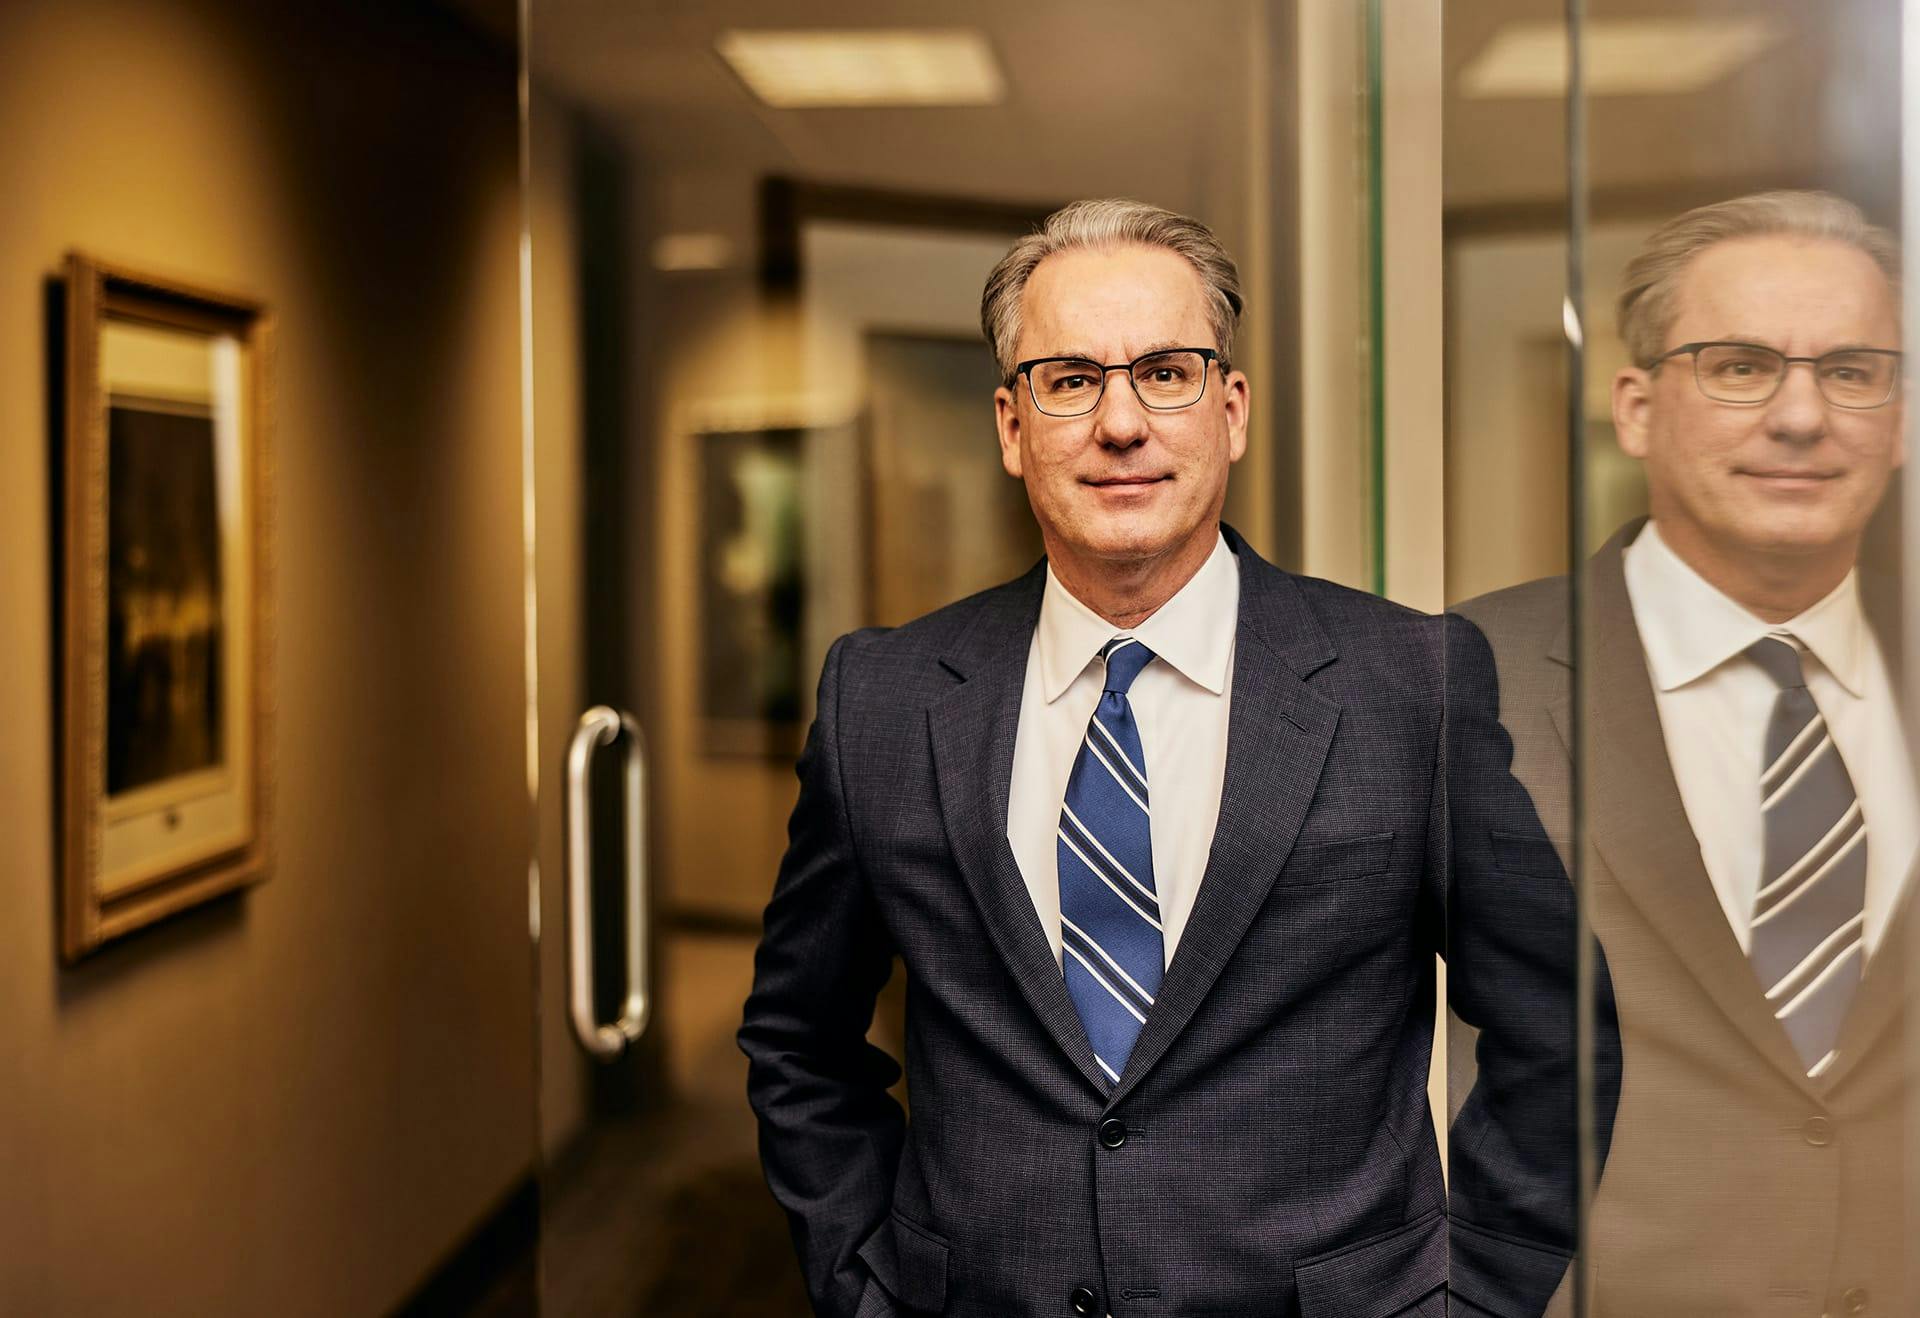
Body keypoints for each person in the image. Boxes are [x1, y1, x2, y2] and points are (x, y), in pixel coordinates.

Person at [741, 198, 1589, 1317]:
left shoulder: (1410, 687)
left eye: (1168, 372)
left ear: (1231, 409)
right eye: (1070, 379)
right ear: (1010, 425)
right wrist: (863, 1282)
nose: (1122, 422)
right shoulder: (883, 702)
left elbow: (1561, 1031)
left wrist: (1468, 1300)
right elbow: (800, 1041)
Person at [1455, 190, 1916, 1314]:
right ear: (1637, 405)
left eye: (1853, 370)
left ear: (1902, 417)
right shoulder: (1464, 676)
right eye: (1742, 365)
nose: (1802, 415)